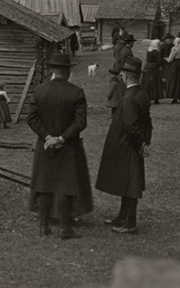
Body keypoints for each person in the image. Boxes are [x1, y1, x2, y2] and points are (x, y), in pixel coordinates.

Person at [28, 53, 92, 239]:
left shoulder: (40, 91)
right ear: (68, 70)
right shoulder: (76, 92)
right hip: (68, 146)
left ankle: (43, 227)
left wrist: (48, 137)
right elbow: (80, 123)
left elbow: (31, 119)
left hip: (45, 145)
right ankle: (65, 228)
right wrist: (62, 139)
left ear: (52, 70)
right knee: (65, 185)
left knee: (45, 185)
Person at [96, 56, 153, 234]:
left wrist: (140, 144)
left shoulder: (129, 97)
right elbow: (148, 122)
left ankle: (130, 222)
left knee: (130, 184)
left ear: (125, 75)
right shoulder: (141, 94)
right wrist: (145, 142)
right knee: (126, 182)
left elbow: (131, 125)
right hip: (134, 145)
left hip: (127, 146)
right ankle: (122, 215)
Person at [165, 37, 180, 104]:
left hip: (176, 65)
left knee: (175, 80)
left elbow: (170, 59)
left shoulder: (174, 49)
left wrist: (166, 59)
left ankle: (175, 97)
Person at [141, 39, 165, 104]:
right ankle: (155, 98)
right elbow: (159, 61)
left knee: (147, 83)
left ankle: (147, 97)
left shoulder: (149, 51)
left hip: (147, 67)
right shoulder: (156, 52)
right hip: (154, 69)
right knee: (155, 84)